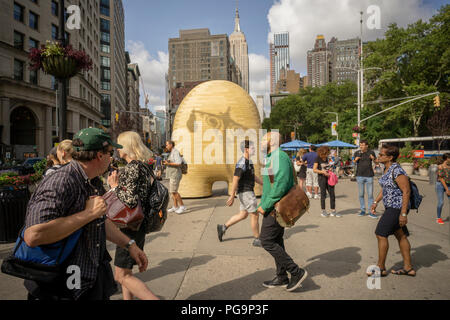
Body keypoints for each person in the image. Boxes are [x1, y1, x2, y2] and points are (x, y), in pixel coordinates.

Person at [23, 127, 149, 300]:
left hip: (89, 276)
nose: (112, 158)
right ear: (100, 155)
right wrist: (88, 214)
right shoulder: (61, 181)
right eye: (110, 153)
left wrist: (129, 245)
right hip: (59, 284)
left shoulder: (93, 181)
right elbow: (34, 235)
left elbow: (101, 220)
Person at [107, 131, 159, 300]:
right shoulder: (143, 166)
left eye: (119, 145)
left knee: (121, 276)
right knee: (126, 272)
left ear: (126, 147)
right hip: (139, 223)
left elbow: (129, 201)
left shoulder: (132, 168)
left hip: (129, 226)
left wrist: (114, 187)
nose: (116, 150)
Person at [257, 132, 308, 292]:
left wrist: (265, 205)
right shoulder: (271, 157)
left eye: (264, 138)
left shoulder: (279, 157)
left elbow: (281, 185)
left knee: (266, 240)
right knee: (277, 240)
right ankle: (281, 277)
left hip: (275, 208)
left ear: (271, 141)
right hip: (271, 205)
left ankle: (296, 272)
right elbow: (269, 184)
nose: (261, 141)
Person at [369, 144, 415, 277]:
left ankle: (381, 268)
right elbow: (386, 189)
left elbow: (406, 191)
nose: (379, 156)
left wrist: (403, 213)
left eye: (382, 155)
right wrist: (376, 202)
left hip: (397, 208)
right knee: (401, 235)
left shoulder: (397, 171)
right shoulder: (387, 169)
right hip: (391, 207)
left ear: (390, 157)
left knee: (380, 233)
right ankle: (408, 268)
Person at [217, 140, 264, 247]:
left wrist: (264, 184)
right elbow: (235, 179)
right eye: (252, 148)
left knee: (243, 214)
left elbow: (253, 176)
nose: (254, 150)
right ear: (246, 149)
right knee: (255, 215)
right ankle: (257, 239)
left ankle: (223, 227)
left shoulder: (249, 162)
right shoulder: (242, 163)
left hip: (246, 192)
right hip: (246, 192)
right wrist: (232, 195)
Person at [313, 146, 341, 218]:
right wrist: (322, 172)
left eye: (327, 153)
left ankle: (333, 211)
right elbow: (314, 169)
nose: (326, 155)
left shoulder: (328, 158)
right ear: (321, 153)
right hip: (322, 178)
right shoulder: (317, 158)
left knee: (332, 194)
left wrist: (331, 168)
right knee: (323, 195)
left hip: (329, 177)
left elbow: (330, 165)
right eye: (325, 153)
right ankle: (323, 211)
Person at [354, 140, 378, 218]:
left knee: (370, 194)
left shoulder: (371, 152)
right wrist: (356, 159)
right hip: (359, 175)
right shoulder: (357, 153)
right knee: (361, 194)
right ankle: (363, 210)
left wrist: (373, 158)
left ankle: (371, 211)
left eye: (363, 145)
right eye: (360, 145)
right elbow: (353, 162)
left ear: (367, 146)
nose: (361, 146)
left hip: (369, 175)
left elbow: (376, 162)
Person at [164, 140, 187, 214]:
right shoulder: (172, 152)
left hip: (175, 174)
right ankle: (175, 206)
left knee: (174, 191)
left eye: (167, 145)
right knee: (172, 192)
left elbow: (179, 163)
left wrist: (169, 163)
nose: (166, 146)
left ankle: (182, 206)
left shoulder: (175, 152)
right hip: (173, 174)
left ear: (171, 145)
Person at [436, 153, 450, 225]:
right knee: (441, 202)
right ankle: (438, 218)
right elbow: (441, 179)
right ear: (447, 159)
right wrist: (447, 189)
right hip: (440, 185)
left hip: (449, 184)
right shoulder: (440, 167)